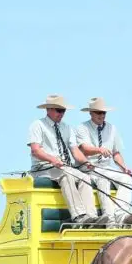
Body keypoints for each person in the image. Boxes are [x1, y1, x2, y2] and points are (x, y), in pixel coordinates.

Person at [27, 94, 105, 228]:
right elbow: (35, 150)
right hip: (43, 168)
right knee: (67, 174)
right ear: (48, 110)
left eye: (63, 110)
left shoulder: (67, 128)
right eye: (58, 110)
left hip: (63, 167)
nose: (61, 114)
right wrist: (52, 159)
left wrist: (86, 162)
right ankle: (79, 216)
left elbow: (75, 151)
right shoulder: (37, 125)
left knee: (85, 177)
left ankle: (91, 218)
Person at [75, 97, 132, 228]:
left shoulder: (112, 128)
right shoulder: (82, 128)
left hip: (106, 167)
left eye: (104, 113)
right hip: (88, 167)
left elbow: (116, 153)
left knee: (126, 178)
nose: (102, 115)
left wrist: (124, 167)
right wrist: (99, 150)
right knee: (102, 178)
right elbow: (84, 149)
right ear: (91, 113)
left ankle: (121, 215)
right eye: (99, 112)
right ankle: (109, 219)